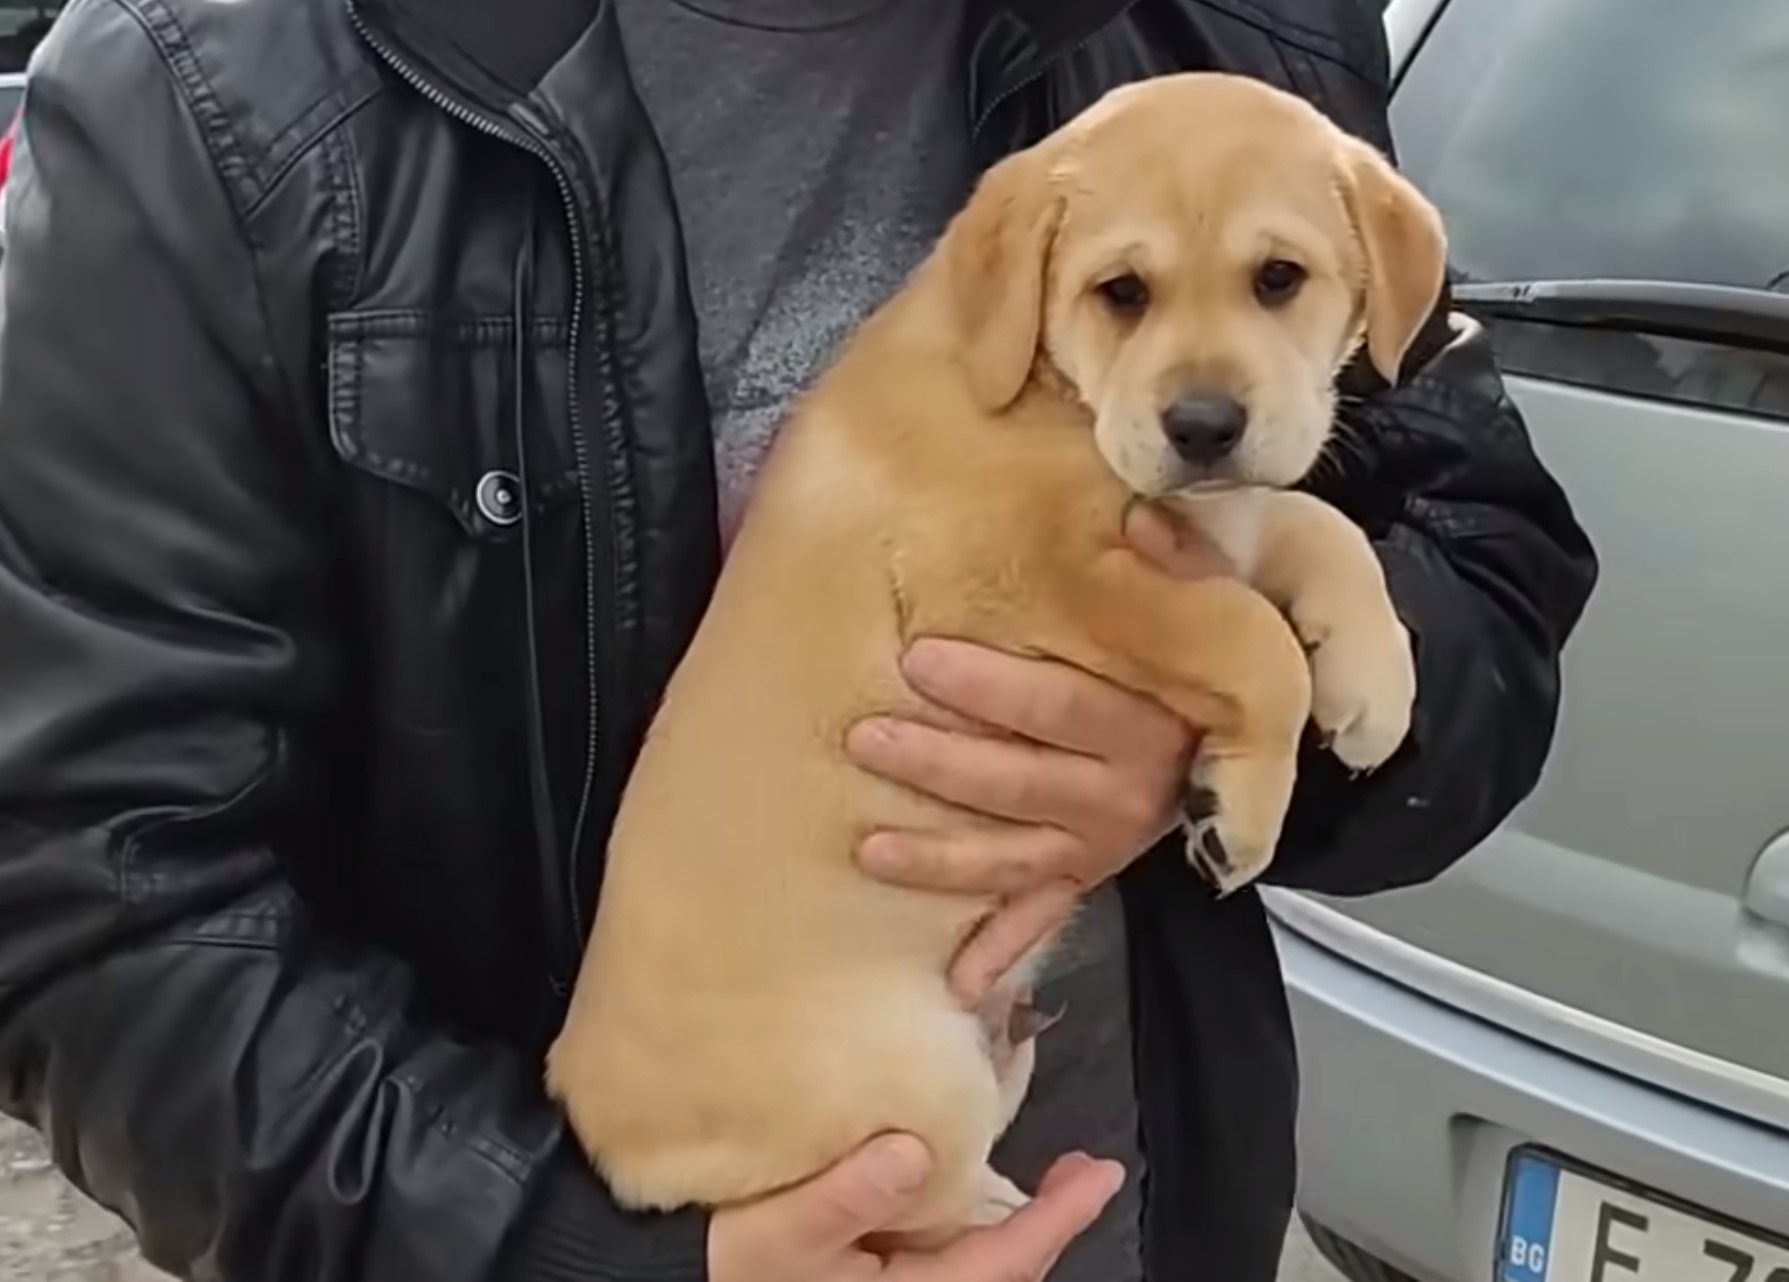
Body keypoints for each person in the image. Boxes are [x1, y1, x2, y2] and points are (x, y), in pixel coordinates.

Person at [0, 0, 1597, 1280]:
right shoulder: (210, 95)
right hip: (639, 1176)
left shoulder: (1235, 38)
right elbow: (84, 897)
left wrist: (1225, 742)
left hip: (1124, 1207)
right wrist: (584, 1257)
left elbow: (1485, 564)